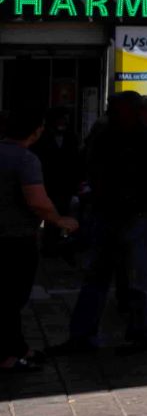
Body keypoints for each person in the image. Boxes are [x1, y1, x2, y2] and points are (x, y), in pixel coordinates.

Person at [51, 93, 147, 354]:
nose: (113, 113)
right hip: (108, 214)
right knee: (98, 278)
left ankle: (138, 335)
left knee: (136, 281)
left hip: (134, 216)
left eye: (118, 110)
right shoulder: (105, 137)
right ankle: (84, 335)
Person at [2, 107, 80, 372]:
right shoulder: (25, 159)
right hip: (15, 239)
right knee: (12, 298)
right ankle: (9, 355)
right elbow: (37, 201)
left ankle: (18, 347)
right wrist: (61, 220)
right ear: (36, 131)